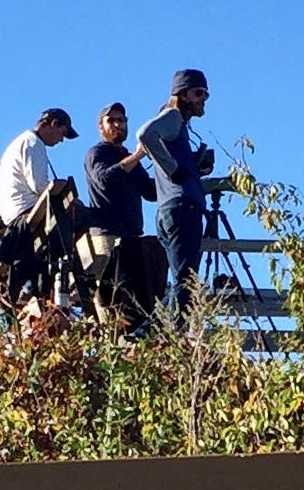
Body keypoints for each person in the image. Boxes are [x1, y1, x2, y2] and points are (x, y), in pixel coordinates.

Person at [137, 68, 216, 311]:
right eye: (198, 93)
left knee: (181, 282)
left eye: (206, 94)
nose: (203, 99)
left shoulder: (178, 126)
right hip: (182, 209)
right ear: (182, 95)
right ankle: (164, 338)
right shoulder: (173, 117)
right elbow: (145, 134)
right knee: (186, 283)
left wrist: (192, 165)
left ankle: (156, 335)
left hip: (170, 209)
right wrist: (174, 168)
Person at [81, 102, 167, 324]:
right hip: (107, 237)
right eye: (112, 121)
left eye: (122, 120)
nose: (118, 125)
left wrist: (176, 173)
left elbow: (149, 191)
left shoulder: (126, 156)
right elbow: (105, 181)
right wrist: (138, 155)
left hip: (131, 238)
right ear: (101, 127)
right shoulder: (97, 152)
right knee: (107, 297)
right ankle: (108, 347)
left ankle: (126, 348)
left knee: (131, 300)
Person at [0, 106, 80, 306]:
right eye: (62, 133)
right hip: (26, 208)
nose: (61, 140)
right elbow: (39, 185)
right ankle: (67, 271)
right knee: (80, 215)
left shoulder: (21, 142)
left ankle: (51, 277)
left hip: (13, 213)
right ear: (54, 124)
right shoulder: (33, 143)